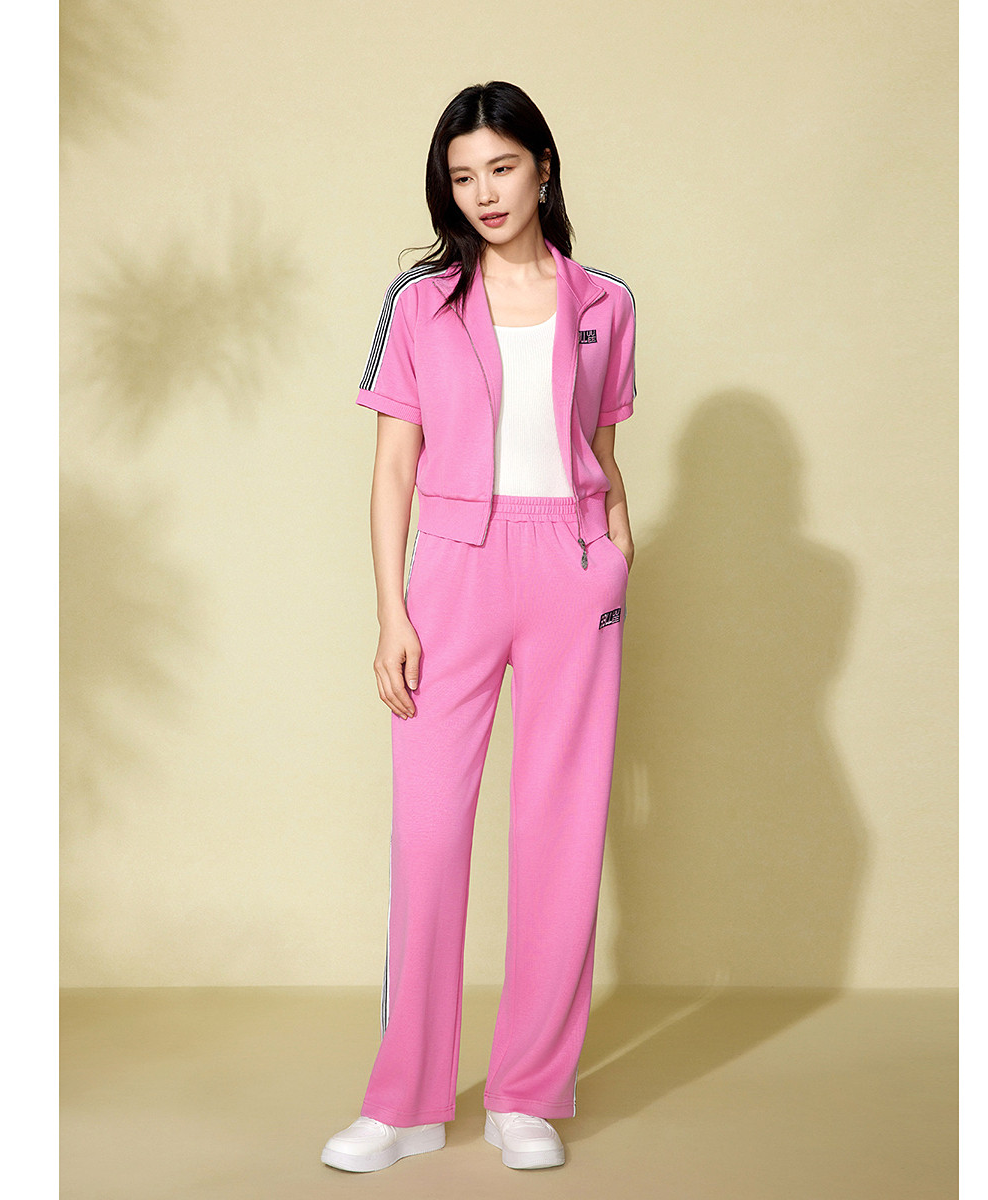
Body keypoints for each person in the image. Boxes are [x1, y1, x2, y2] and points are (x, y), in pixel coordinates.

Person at [322, 80, 636, 1174]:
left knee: (563, 833)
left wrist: (617, 554)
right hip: (453, 568)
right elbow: (391, 467)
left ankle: (528, 1095)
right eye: (462, 176)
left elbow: (603, 450)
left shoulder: (606, 302)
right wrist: (391, 611)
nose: (485, 193)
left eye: (501, 167)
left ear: (543, 167)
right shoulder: (420, 302)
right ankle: (405, 1101)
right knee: (429, 834)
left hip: (575, 572)